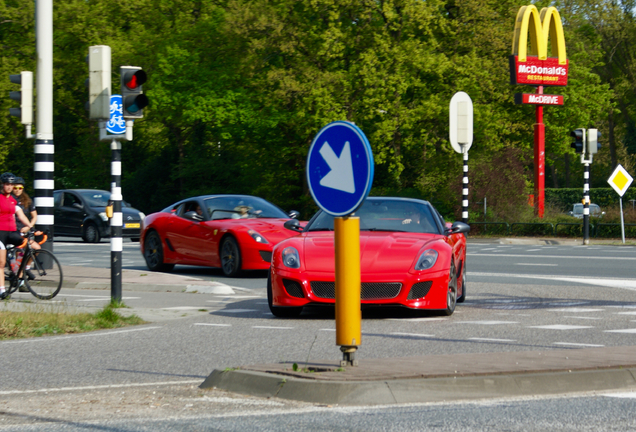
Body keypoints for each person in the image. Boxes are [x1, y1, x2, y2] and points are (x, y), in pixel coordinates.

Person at [0, 173, 34, 300]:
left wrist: (30, 227)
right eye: (7, 184)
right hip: (1, 233)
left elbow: (21, 215)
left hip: (12, 231)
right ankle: (2, 290)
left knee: (27, 245)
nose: (9, 187)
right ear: (3, 185)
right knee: (1, 263)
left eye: (11, 185)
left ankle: (17, 272)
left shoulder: (13, 200)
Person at [12, 177, 39, 285]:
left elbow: (34, 216)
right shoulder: (10, 200)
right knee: (20, 253)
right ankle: (19, 279)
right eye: (15, 187)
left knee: (37, 248)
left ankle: (26, 268)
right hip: (14, 230)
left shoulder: (27, 200)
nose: (18, 189)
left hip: (24, 230)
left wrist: (30, 227)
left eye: (20, 187)